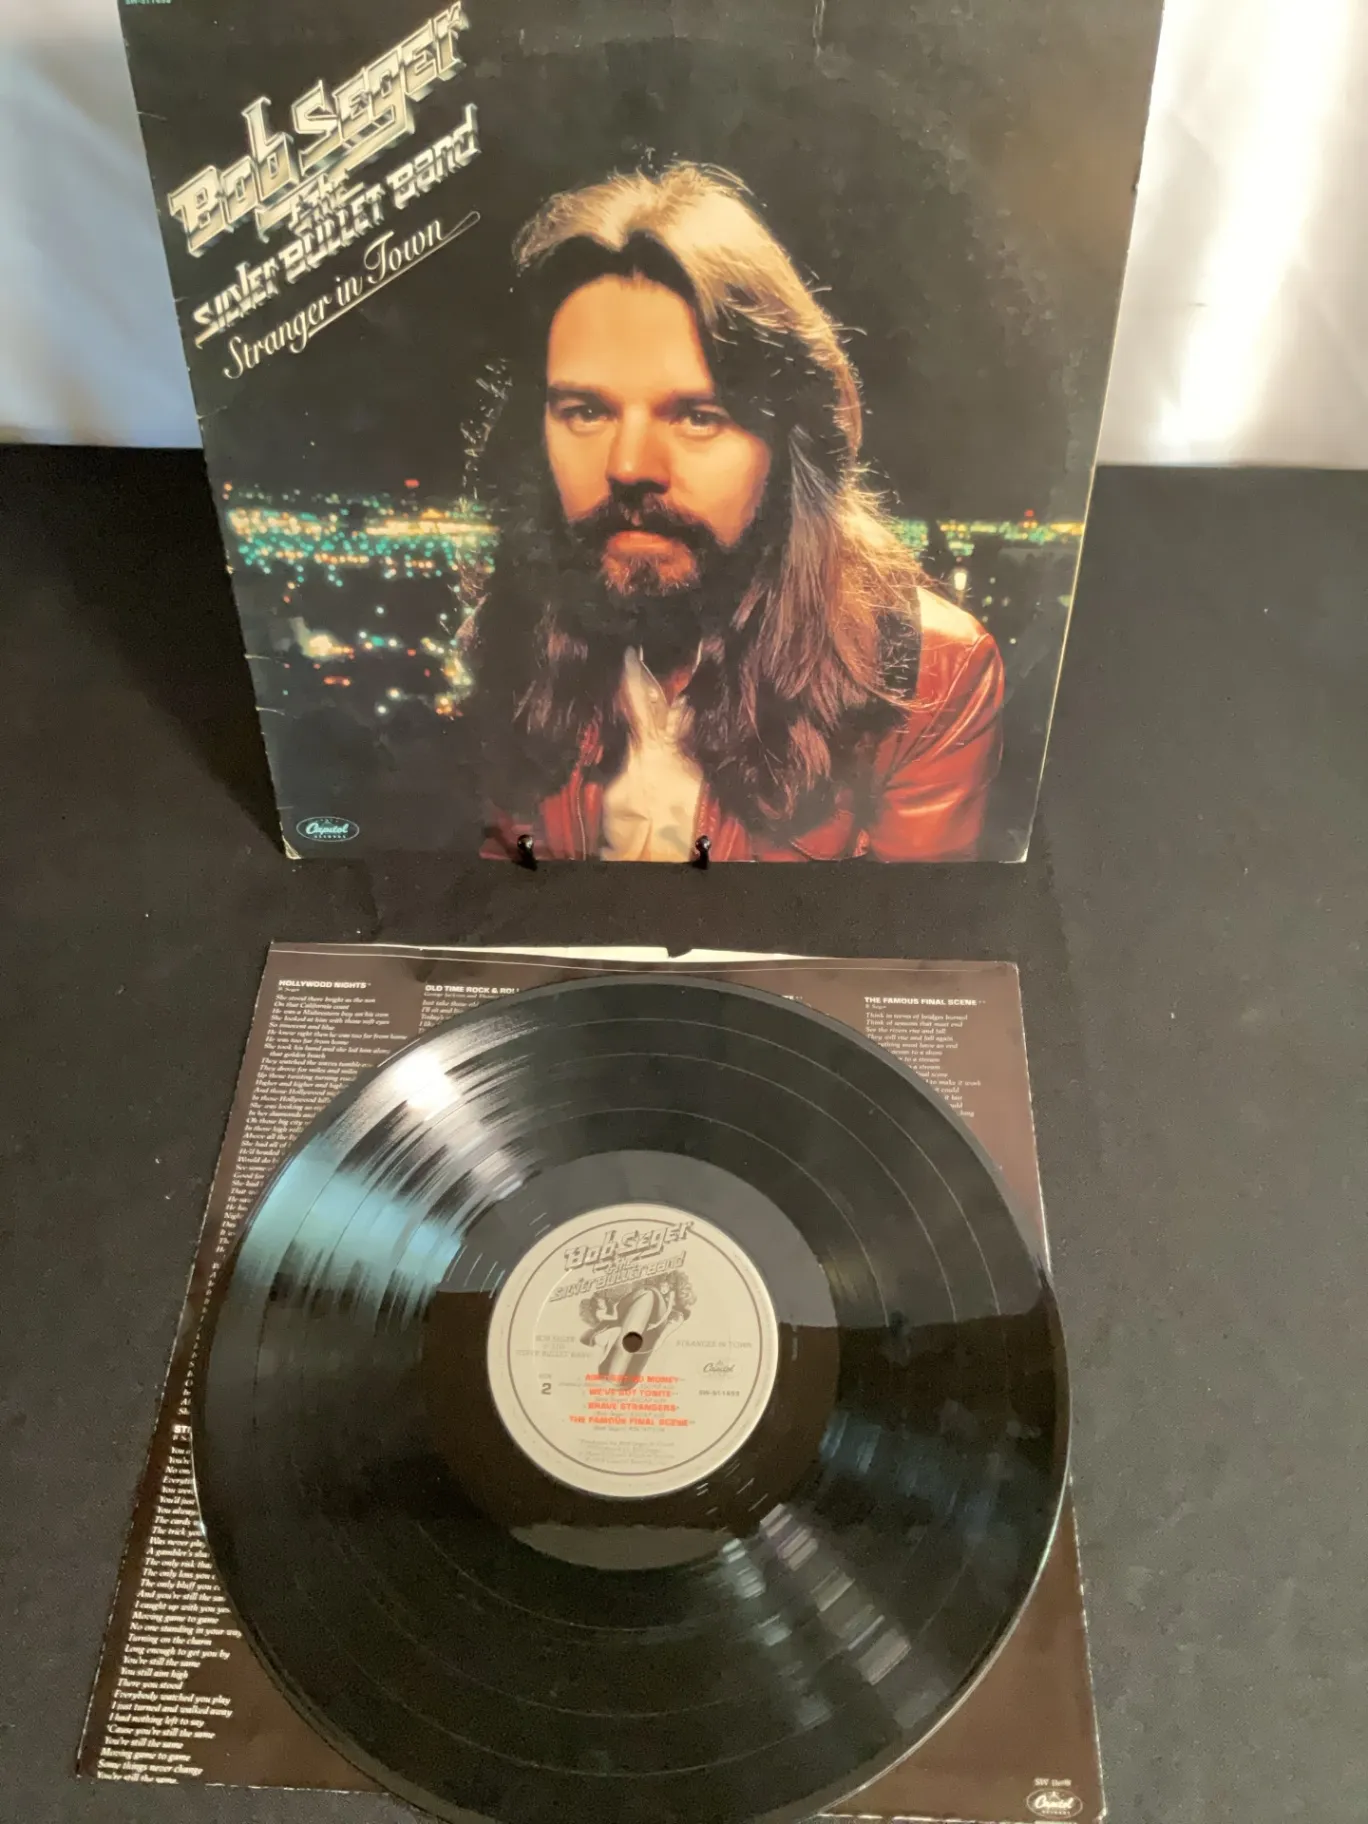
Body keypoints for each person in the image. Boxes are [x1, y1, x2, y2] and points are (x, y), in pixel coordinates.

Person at [469, 163, 1004, 862]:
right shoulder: (511, 630)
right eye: (586, 411)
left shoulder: (934, 674)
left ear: (788, 441)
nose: (628, 465)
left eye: (699, 415)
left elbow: (900, 924)